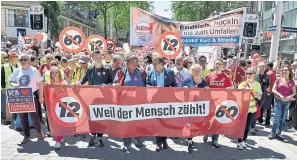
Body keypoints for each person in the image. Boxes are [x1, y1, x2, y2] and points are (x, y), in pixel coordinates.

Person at [79, 50, 113, 147]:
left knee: (101, 118)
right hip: (92, 98)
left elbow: (111, 82)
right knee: (92, 118)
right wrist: (74, 85)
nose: (98, 59)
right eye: (96, 57)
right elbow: (84, 80)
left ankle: (100, 138)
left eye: (100, 57)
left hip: (103, 98)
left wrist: (106, 85)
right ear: (93, 58)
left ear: (102, 58)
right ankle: (93, 136)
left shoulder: (107, 69)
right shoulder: (90, 69)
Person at [9, 53, 44, 144]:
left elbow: (40, 83)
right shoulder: (17, 70)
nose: (23, 61)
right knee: (23, 118)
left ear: (29, 61)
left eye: (25, 59)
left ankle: (39, 132)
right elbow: (11, 81)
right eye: (21, 60)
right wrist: (15, 85)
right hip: (21, 96)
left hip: (32, 95)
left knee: (34, 117)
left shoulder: (34, 70)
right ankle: (26, 136)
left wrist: (41, 96)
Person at [113, 55, 146, 152]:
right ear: (127, 63)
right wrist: (116, 85)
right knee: (126, 123)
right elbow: (115, 83)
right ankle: (127, 144)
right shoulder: (121, 72)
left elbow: (146, 84)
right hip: (125, 102)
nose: (134, 64)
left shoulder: (141, 72)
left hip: (138, 102)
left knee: (137, 122)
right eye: (132, 62)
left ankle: (136, 137)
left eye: (136, 62)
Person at [146, 56, 177, 152]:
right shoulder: (151, 72)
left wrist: (170, 89)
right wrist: (153, 87)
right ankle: (158, 142)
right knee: (157, 122)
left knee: (165, 121)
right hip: (155, 100)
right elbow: (146, 84)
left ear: (162, 64)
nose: (154, 66)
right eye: (153, 65)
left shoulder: (170, 72)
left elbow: (175, 85)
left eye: (156, 65)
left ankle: (165, 141)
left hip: (166, 101)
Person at [203, 58, 233, 148]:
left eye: (219, 64)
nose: (217, 65)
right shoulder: (208, 76)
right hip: (210, 101)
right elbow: (203, 86)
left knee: (218, 120)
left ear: (222, 66)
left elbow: (231, 88)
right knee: (208, 119)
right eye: (216, 64)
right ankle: (206, 133)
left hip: (221, 103)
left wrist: (229, 89)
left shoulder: (226, 77)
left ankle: (215, 139)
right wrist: (205, 88)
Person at [181, 64, 208, 152]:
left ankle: (193, 137)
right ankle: (189, 140)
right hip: (190, 105)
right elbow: (179, 90)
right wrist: (184, 88)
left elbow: (207, 93)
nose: (196, 73)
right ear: (191, 71)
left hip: (200, 106)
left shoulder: (204, 81)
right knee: (190, 123)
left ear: (201, 72)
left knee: (196, 123)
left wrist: (207, 89)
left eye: (198, 71)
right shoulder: (188, 80)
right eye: (194, 71)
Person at [237, 67, 262, 150]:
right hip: (243, 109)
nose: (248, 75)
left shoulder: (257, 84)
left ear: (254, 74)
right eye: (247, 73)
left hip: (252, 109)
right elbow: (237, 97)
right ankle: (239, 141)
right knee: (241, 126)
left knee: (247, 126)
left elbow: (259, 97)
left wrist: (255, 93)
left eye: (250, 73)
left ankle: (244, 140)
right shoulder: (242, 84)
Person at [269, 66, 296, 140]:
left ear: (290, 71)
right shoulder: (278, 80)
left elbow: (294, 92)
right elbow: (273, 90)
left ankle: (278, 133)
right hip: (278, 101)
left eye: (286, 70)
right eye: (283, 70)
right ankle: (273, 132)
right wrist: (280, 95)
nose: (284, 71)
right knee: (277, 117)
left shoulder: (292, 81)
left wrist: (290, 96)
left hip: (287, 102)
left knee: (283, 118)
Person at [49, 67, 68, 149]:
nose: (54, 74)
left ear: (59, 73)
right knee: (57, 123)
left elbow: (66, 93)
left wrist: (60, 86)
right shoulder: (49, 83)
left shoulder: (63, 82)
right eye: (52, 72)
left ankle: (58, 140)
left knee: (59, 123)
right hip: (53, 106)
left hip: (62, 105)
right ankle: (61, 137)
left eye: (56, 72)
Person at [1, 52, 20, 125]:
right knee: (8, 104)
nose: (15, 59)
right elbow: (2, 78)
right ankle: (8, 119)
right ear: (10, 58)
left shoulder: (19, 65)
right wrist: (3, 87)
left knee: (18, 102)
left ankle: (16, 117)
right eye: (13, 57)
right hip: (9, 87)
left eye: (16, 58)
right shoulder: (5, 66)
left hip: (18, 87)